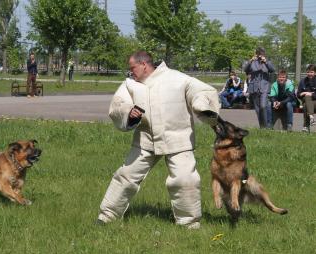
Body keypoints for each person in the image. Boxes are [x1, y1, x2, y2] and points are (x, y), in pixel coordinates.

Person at [96, 51, 220, 229]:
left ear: (144, 64)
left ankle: (189, 223)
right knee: (126, 176)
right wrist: (129, 113)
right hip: (145, 140)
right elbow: (118, 104)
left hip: (178, 141)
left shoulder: (178, 79)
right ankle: (107, 216)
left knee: (185, 180)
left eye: (133, 68)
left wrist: (201, 105)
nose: (131, 73)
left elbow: (203, 91)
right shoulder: (130, 85)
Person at [244, 47, 275, 128]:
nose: (260, 55)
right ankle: (262, 127)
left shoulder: (267, 61)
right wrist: (250, 61)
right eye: (258, 54)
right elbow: (245, 70)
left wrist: (266, 62)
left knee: (263, 106)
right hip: (254, 87)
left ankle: (267, 125)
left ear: (264, 54)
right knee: (257, 109)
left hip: (264, 87)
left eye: (261, 54)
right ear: (256, 54)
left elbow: (272, 70)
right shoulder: (252, 62)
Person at [297, 64, 316, 132]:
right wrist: (303, 94)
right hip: (308, 102)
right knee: (306, 103)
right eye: (308, 72)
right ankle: (311, 118)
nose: (309, 74)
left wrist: (310, 94)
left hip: (315, 102)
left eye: (311, 72)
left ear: (315, 73)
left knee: (305, 104)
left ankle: (306, 126)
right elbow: (298, 94)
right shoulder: (303, 81)